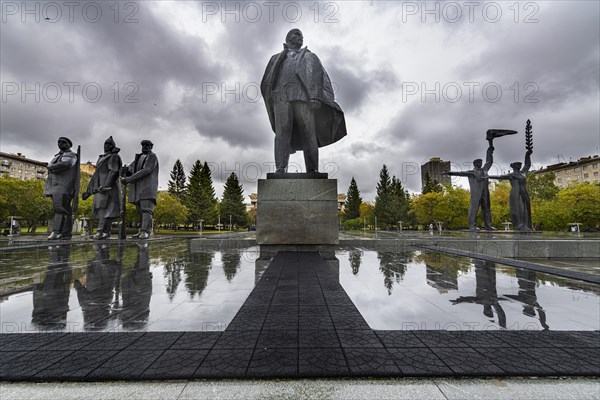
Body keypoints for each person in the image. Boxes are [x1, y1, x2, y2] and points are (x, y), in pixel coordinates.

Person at [261, 29, 347, 173]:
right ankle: (280, 168)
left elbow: (316, 76)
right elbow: (267, 81)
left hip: (303, 99)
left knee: (308, 132)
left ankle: (312, 169)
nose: (301, 37)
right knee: (282, 133)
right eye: (297, 35)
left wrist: (314, 96)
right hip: (281, 98)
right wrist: (272, 98)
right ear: (288, 38)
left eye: (302, 35)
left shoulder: (310, 57)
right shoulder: (275, 58)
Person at [444, 144, 496, 231]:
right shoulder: (472, 172)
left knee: (487, 208)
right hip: (476, 193)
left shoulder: (485, 170)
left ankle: (488, 225)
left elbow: (489, 161)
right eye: (479, 162)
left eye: (481, 162)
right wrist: (450, 173)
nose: (481, 164)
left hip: (485, 193)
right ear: (475, 164)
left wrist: (489, 151)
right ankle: (472, 226)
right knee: (474, 208)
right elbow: (460, 173)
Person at [83, 136, 122, 240]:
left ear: (113, 146)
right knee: (103, 209)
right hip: (99, 186)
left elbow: (113, 171)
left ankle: (101, 232)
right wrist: (89, 189)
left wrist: (106, 185)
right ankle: (105, 232)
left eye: (109, 144)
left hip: (107, 187)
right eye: (105, 144)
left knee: (104, 209)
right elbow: (96, 174)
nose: (107, 146)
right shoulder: (101, 157)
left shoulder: (114, 156)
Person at [121, 140, 159, 239]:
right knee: (140, 211)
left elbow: (146, 170)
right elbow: (131, 169)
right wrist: (125, 170)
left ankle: (145, 231)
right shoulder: (138, 158)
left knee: (146, 210)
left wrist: (129, 179)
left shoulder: (152, 157)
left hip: (147, 188)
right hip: (137, 189)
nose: (145, 147)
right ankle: (141, 231)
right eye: (143, 145)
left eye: (147, 145)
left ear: (151, 147)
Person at [489, 150, 533, 231]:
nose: (520, 165)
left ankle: (526, 225)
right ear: (514, 166)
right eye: (518, 164)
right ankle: (519, 225)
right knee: (519, 208)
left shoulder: (523, 172)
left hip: (524, 193)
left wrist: (528, 155)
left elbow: (527, 164)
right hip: (516, 193)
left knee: (525, 209)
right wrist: (487, 176)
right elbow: (500, 176)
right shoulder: (512, 175)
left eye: (520, 164)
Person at [44, 137, 79, 240]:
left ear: (69, 144)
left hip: (63, 186)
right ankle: (66, 232)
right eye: (59, 142)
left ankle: (57, 231)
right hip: (55, 185)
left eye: (64, 142)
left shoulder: (70, 155)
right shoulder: (58, 155)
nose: (60, 144)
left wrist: (51, 166)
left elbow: (67, 163)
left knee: (59, 209)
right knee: (65, 210)